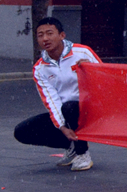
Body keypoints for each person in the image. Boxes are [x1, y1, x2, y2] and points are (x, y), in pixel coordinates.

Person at [17, 17, 102, 171]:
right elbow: (51, 100)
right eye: (40, 35)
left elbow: (105, 79)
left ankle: (82, 153)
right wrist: (62, 127)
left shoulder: (82, 52)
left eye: (50, 33)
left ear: (62, 35)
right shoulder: (40, 68)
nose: (45, 39)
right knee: (22, 131)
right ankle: (71, 146)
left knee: (70, 107)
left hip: (91, 110)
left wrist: (91, 70)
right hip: (66, 113)